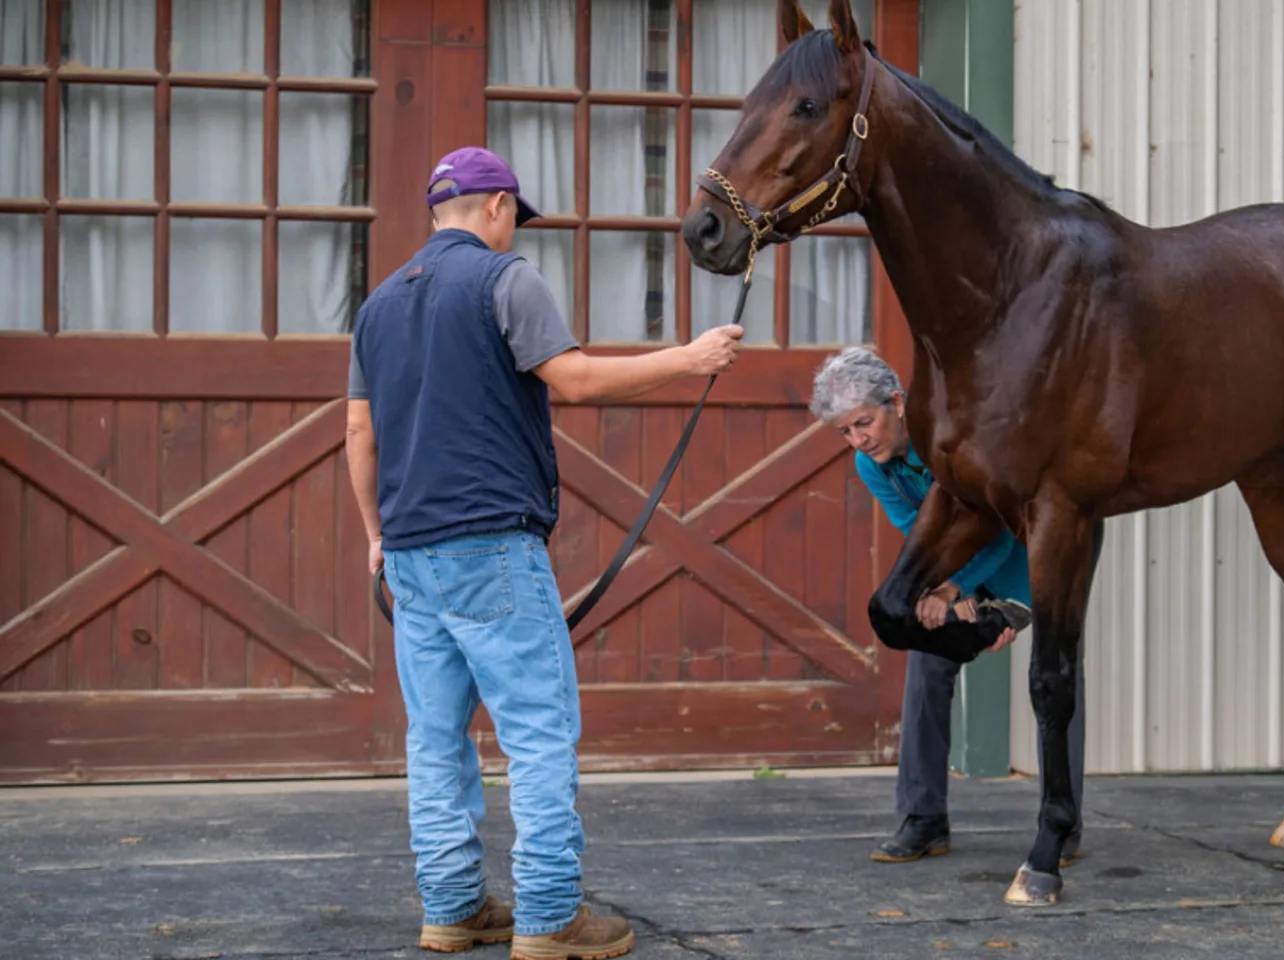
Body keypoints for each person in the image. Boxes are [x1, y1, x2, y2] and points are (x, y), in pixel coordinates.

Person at [344, 145, 743, 959]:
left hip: (412, 555)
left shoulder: (378, 306)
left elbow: (359, 431)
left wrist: (375, 538)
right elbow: (577, 381)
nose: (511, 231)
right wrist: (692, 358)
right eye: (511, 217)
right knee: (537, 733)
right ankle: (551, 915)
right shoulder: (506, 278)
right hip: (491, 542)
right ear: (495, 207)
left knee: (435, 739)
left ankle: (453, 908)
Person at [808, 346, 1087, 866]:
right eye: (845, 432)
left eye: (864, 423)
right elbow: (918, 537)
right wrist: (946, 594)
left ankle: (1064, 821)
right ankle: (924, 817)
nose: (858, 440)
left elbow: (1002, 530)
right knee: (927, 658)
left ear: (897, 402)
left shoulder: (956, 444)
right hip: (961, 578)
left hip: (1034, 563)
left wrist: (973, 594)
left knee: (1057, 674)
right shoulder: (874, 467)